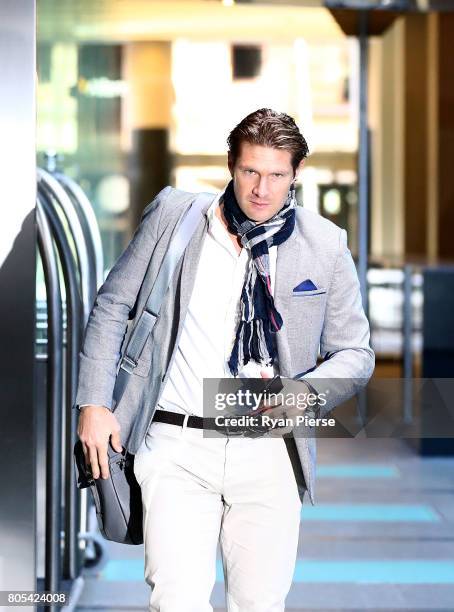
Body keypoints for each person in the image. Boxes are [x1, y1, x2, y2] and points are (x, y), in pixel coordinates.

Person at [75, 108, 375, 611]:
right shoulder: (176, 217)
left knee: (258, 605)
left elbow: (355, 354)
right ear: (231, 166)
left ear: (296, 174)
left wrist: (302, 394)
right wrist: (93, 402)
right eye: (250, 171)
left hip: (269, 453)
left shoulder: (324, 244)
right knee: (176, 602)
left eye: (277, 174)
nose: (262, 188)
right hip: (175, 446)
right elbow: (112, 306)